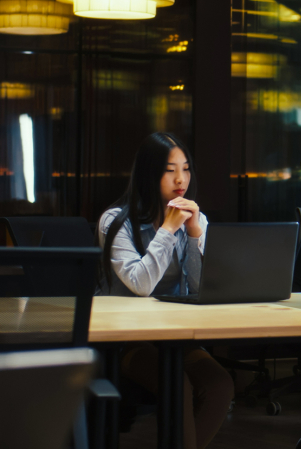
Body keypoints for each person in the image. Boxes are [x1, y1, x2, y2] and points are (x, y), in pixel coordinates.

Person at [98, 132, 234, 449]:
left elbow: (202, 289)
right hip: (122, 339)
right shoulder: (116, 222)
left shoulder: (194, 220)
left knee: (219, 384)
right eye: (169, 169)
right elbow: (141, 285)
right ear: (149, 172)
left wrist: (195, 233)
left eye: (185, 169)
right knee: (179, 386)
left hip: (171, 337)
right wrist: (168, 229)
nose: (180, 178)